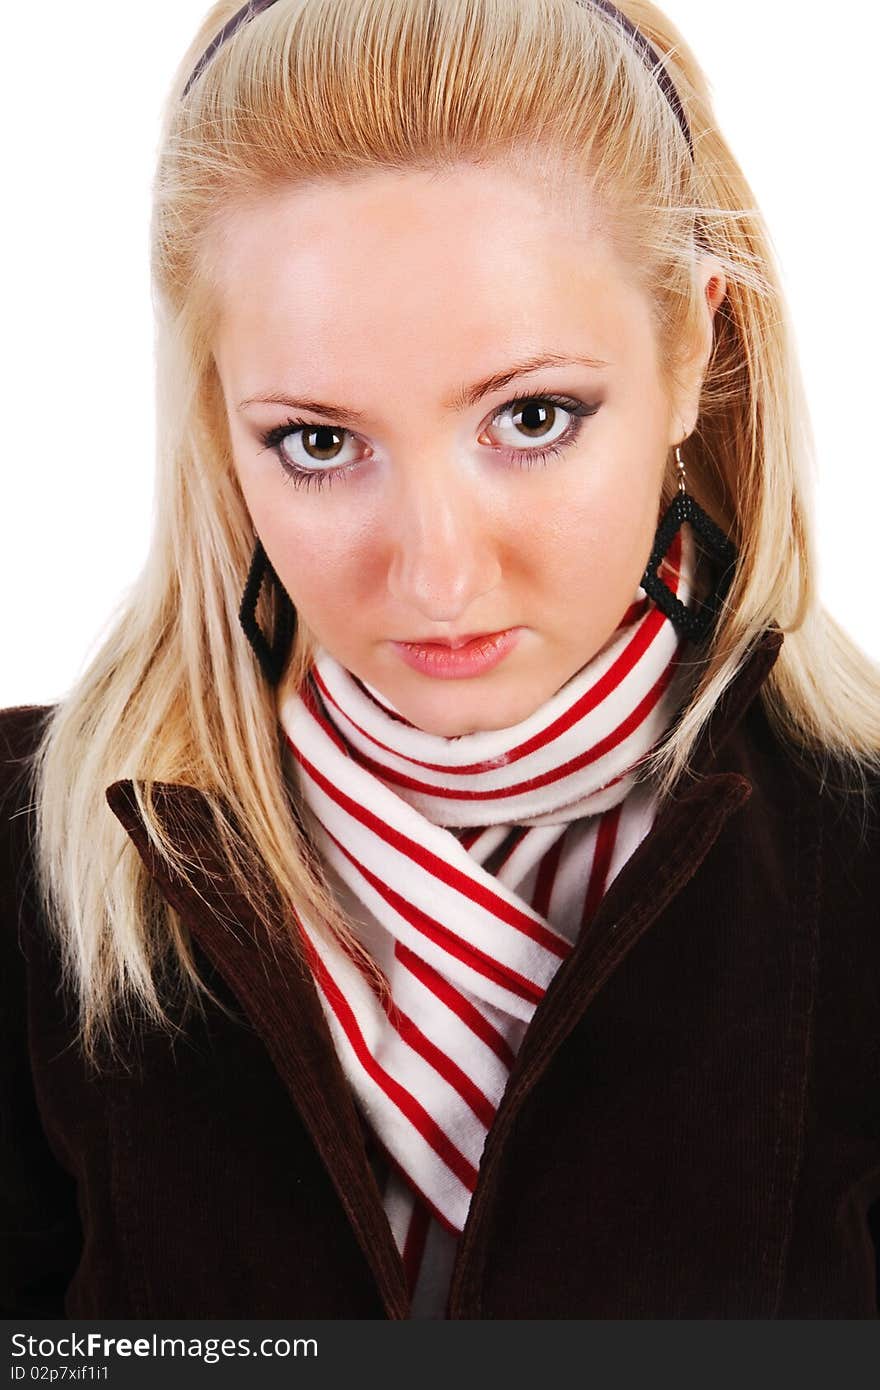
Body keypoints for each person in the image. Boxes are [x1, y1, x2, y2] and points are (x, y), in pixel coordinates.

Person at [1, 0, 878, 1322]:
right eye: (316, 441)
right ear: (215, 418)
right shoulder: (25, 874)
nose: (438, 574)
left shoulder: (858, 867)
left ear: (695, 345)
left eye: (532, 416)